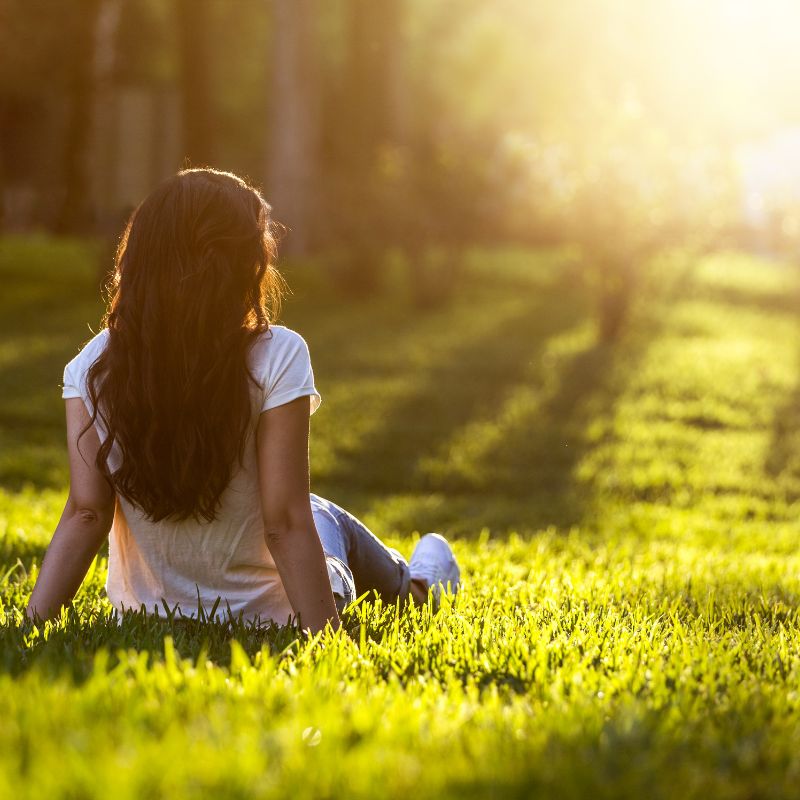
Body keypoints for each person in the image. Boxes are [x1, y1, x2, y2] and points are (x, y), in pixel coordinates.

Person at [26, 168, 460, 633]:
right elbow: (285, 520)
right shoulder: (280, 353)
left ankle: (413, 578)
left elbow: (86, 512)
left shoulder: (92, 366)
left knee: (312, 510)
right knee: (316, 511)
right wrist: (328, 640)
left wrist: (31, 626)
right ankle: (419, 587)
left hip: (149, 611)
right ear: (240, 262)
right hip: (273, 615)